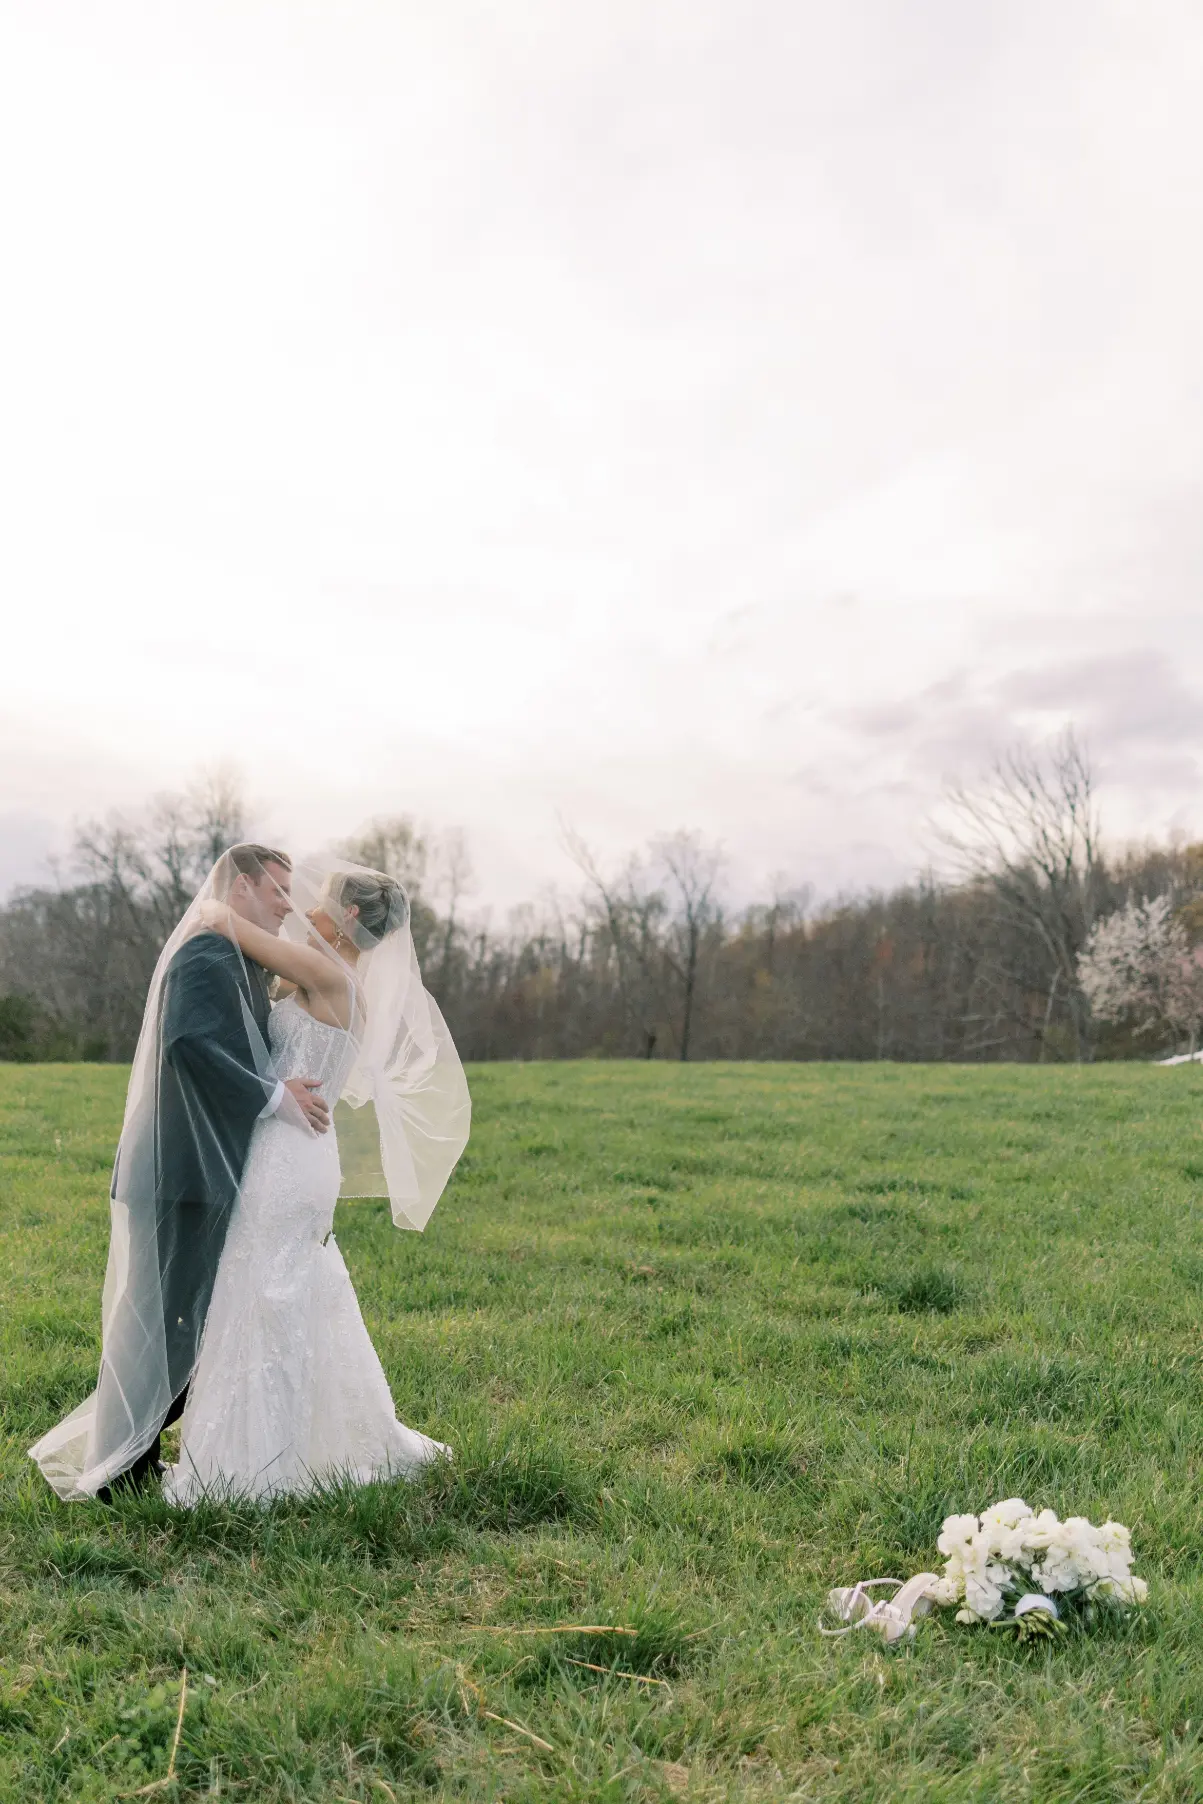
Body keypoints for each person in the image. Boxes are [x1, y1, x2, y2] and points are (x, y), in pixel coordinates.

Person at [159, 859, 470, 1502]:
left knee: (262, 1294)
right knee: (284, 1293)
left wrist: (226, 897)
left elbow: (225, 924)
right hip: (294, 1151)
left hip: (287, 1158)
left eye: (318, 901)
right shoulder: (334, 976)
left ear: (350, 916)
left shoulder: (329, 972)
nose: (306, 910)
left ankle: (250, 1469)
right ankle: (281, 1445)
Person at [30, 844, 330, 1501]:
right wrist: (277, 1099)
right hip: (181, 1173)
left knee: (180, 1324)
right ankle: (117, 1473)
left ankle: (129, 1461)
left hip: (205, 1171)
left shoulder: (239, 953)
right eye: (277, 889)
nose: (286, 902)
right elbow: (189, 1043)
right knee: (163, 1327)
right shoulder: (206, 951)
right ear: (240, 884)